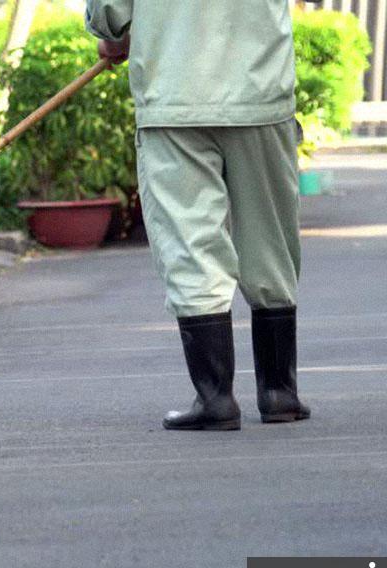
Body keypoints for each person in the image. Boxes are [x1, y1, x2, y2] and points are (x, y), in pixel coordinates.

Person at [84, 0, 316, 430]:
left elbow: (110, 13)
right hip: (260, 90)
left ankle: (215, 399)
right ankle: (279, 393)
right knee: (271, 239)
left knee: (189, 237)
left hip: (174, 93)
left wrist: (113, 40)